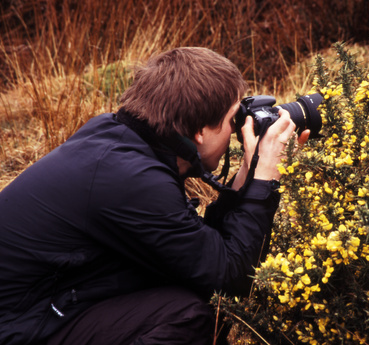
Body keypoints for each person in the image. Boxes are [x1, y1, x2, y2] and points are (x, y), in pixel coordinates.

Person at [0, 47, 309, 345]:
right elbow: (228, 279)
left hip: (40, 308)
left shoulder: (119, 142)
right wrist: (266, 175)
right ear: (200, 131)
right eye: (233, 119)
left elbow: (200, 256)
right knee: (195, 314)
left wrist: (246, 176)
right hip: (19, 327)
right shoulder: (131, 179)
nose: (236, 130)